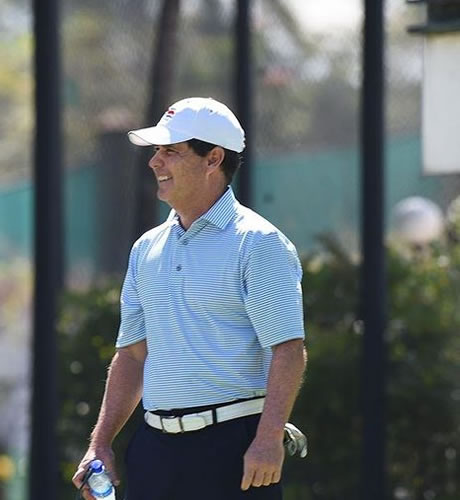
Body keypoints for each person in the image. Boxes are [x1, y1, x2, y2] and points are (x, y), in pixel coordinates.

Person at [71, 97, 306, 500]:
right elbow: (131, 354)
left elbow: (289, 349)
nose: (154, 162)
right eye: (156, 151)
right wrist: (102, 442)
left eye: (170, 152)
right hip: (154, 451)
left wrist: (267, 440)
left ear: (213, 159)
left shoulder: (258, 243)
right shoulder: (146, 248)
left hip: (232, 449)